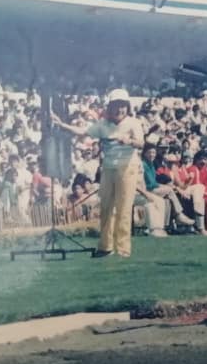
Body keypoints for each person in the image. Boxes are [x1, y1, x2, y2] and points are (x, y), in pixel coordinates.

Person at [52, 89, 144, 258]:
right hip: (108, 169)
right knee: (106, 207)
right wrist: (63, 124)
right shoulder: (103, 125)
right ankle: (105, 246)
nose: (119, 110)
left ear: (127, 107)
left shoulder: (133, 123)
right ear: (110, 107)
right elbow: (83, 131)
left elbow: (141, 143)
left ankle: (123, 248)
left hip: (127, 168)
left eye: (122, 106)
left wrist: (129, 141)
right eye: (116, 106)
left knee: (124, 209)